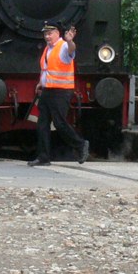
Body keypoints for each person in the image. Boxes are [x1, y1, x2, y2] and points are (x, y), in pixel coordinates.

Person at [28, 21, 90, 167]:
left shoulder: (63, 46)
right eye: (45, 34)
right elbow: (46, 69)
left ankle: (80, 144)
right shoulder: (48, 49)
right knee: (42, 124)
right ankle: (43, 157)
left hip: (61, 91)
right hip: (48, 90)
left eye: (50, 33)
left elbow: (71, 51)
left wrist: (70, 41)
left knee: (59, 123)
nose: (47, 37)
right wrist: (40, 83)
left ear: (58, 33)